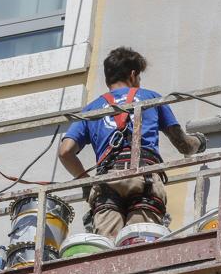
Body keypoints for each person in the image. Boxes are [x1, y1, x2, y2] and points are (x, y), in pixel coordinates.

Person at [58, 47, 206, 238]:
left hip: (107, 181)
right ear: (133, 74)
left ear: (108, 78)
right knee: (140, 241)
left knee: (108, 246)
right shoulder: (150, 98)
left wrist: (86, 181)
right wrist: (200, 141)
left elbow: (65, 152)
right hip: (143, 176)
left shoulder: (91, 110)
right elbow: (183, 144)